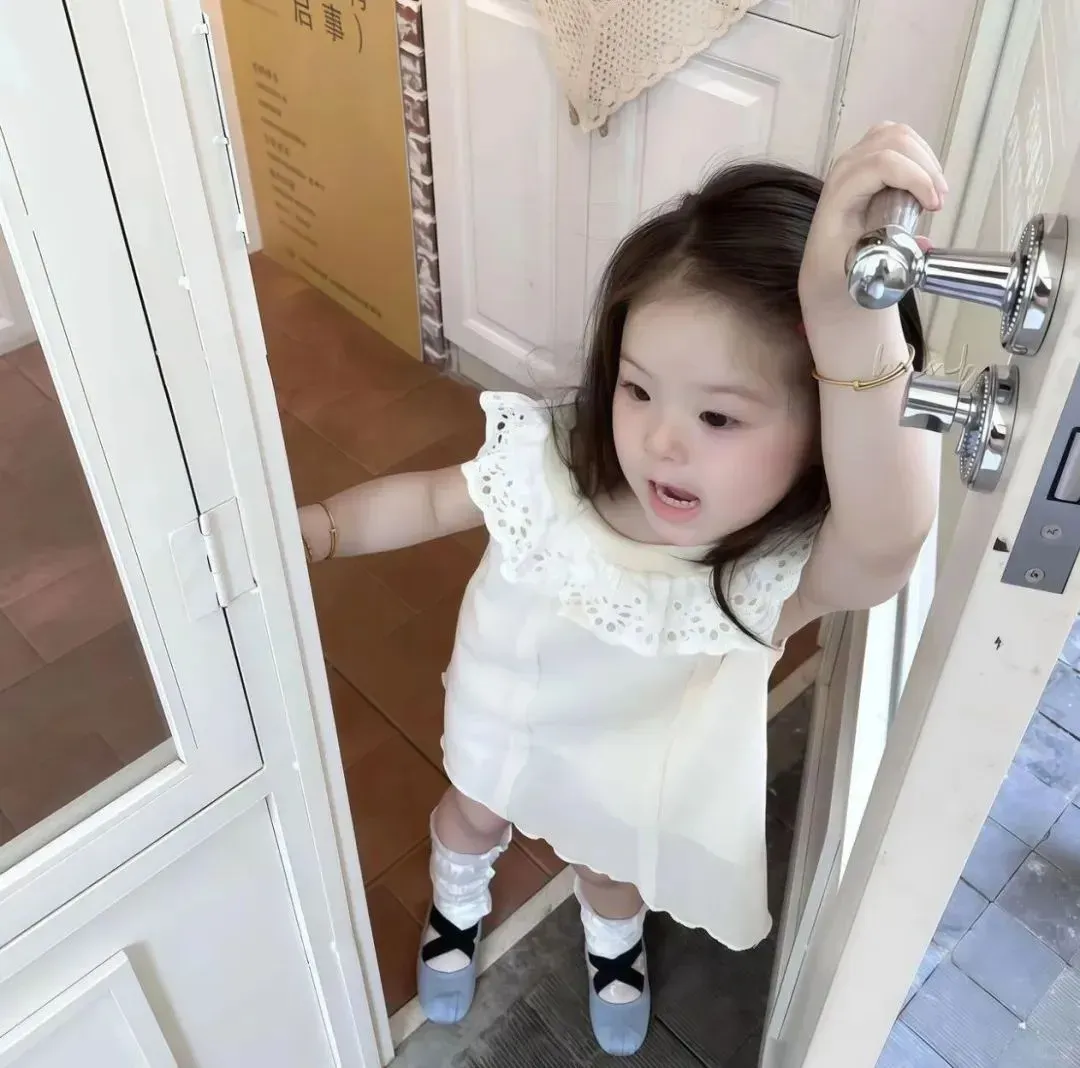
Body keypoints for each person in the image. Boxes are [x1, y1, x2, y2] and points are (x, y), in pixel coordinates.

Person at [298, 122, 942, 1056]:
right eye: (638, 391)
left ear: (819, 437)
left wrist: (849, 321)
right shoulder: (556, 463)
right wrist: (323, 528)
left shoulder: (772, 571)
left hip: (624, 774)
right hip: (502, 714)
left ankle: (613, 940)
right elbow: (435, 499)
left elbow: (890, 538)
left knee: (609, 869)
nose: (661, 442)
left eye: (718, 416)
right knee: (472, 815)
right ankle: (456, 903)